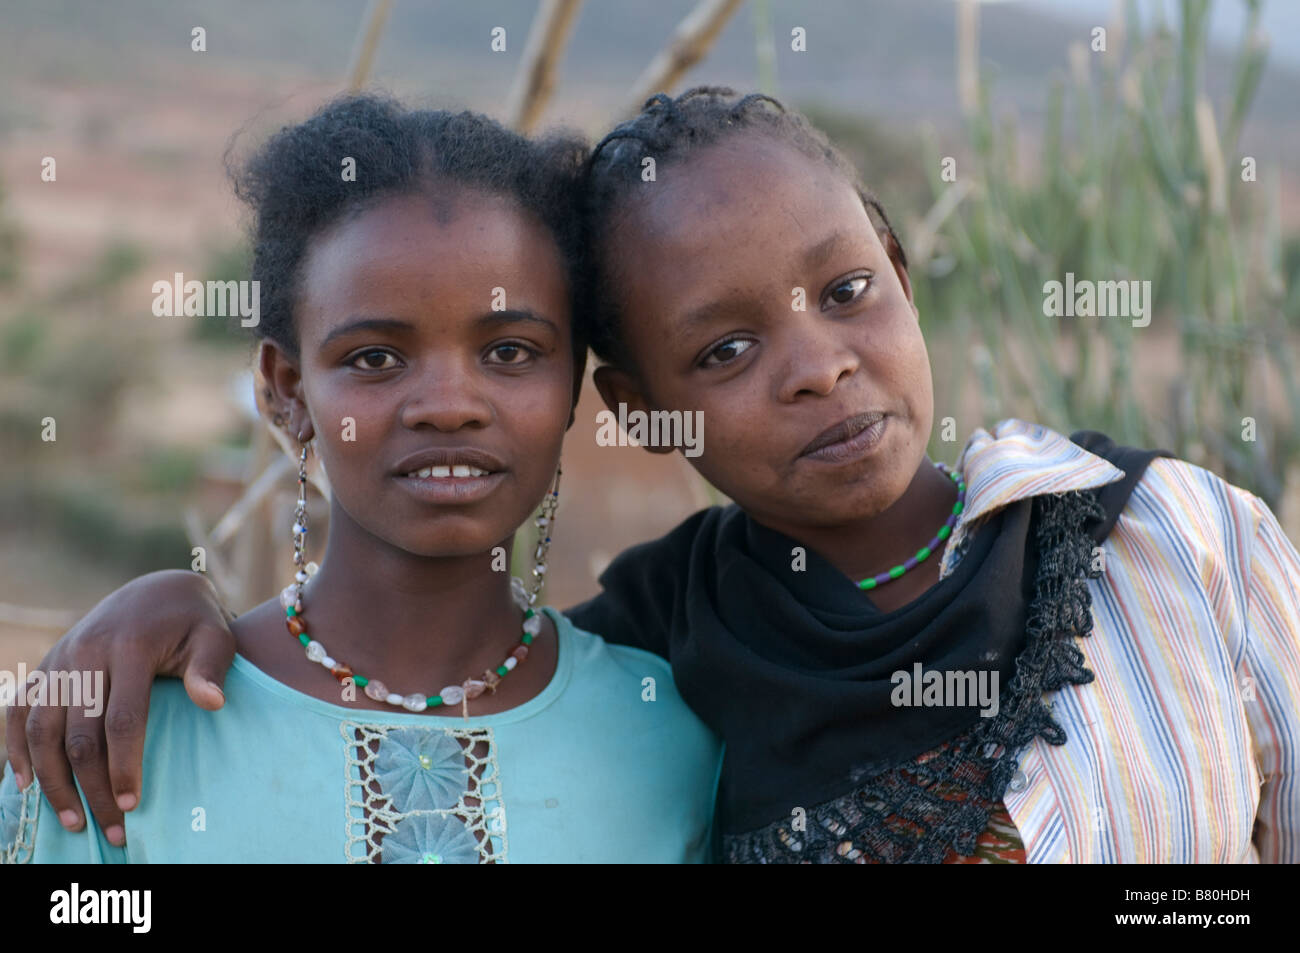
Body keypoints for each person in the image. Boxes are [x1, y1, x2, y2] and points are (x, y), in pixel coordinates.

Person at [9, 88, 1299, 864]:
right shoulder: (662, 667)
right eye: (724, 348)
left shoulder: (1176, 543)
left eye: (846, 291)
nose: (814, 367)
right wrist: (159, 601)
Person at [0, 94, 721, 863]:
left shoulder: (673, 737)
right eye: (374, 357)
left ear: (571, 384)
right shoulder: (126, 735)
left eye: (510, 352)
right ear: (287, 390)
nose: (449, 407)